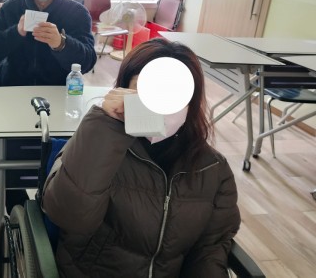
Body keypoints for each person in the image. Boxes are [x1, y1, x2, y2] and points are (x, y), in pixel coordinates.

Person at [42, 38, 241, 277]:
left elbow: (210, 248)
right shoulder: (97, 143)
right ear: (124, 90)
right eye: (146, 90)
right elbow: (68, 215)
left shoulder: (213, 169)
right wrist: (105, 126)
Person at [0, 0, 97, 210]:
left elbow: (89, 59)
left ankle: (50, 206)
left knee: (63, 163)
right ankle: (18, 215)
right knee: (7, 163)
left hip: (60, 103)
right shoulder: (11, 8)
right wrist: (16, 32)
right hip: (11, 100)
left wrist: (61, 44)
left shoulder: (76, 13)